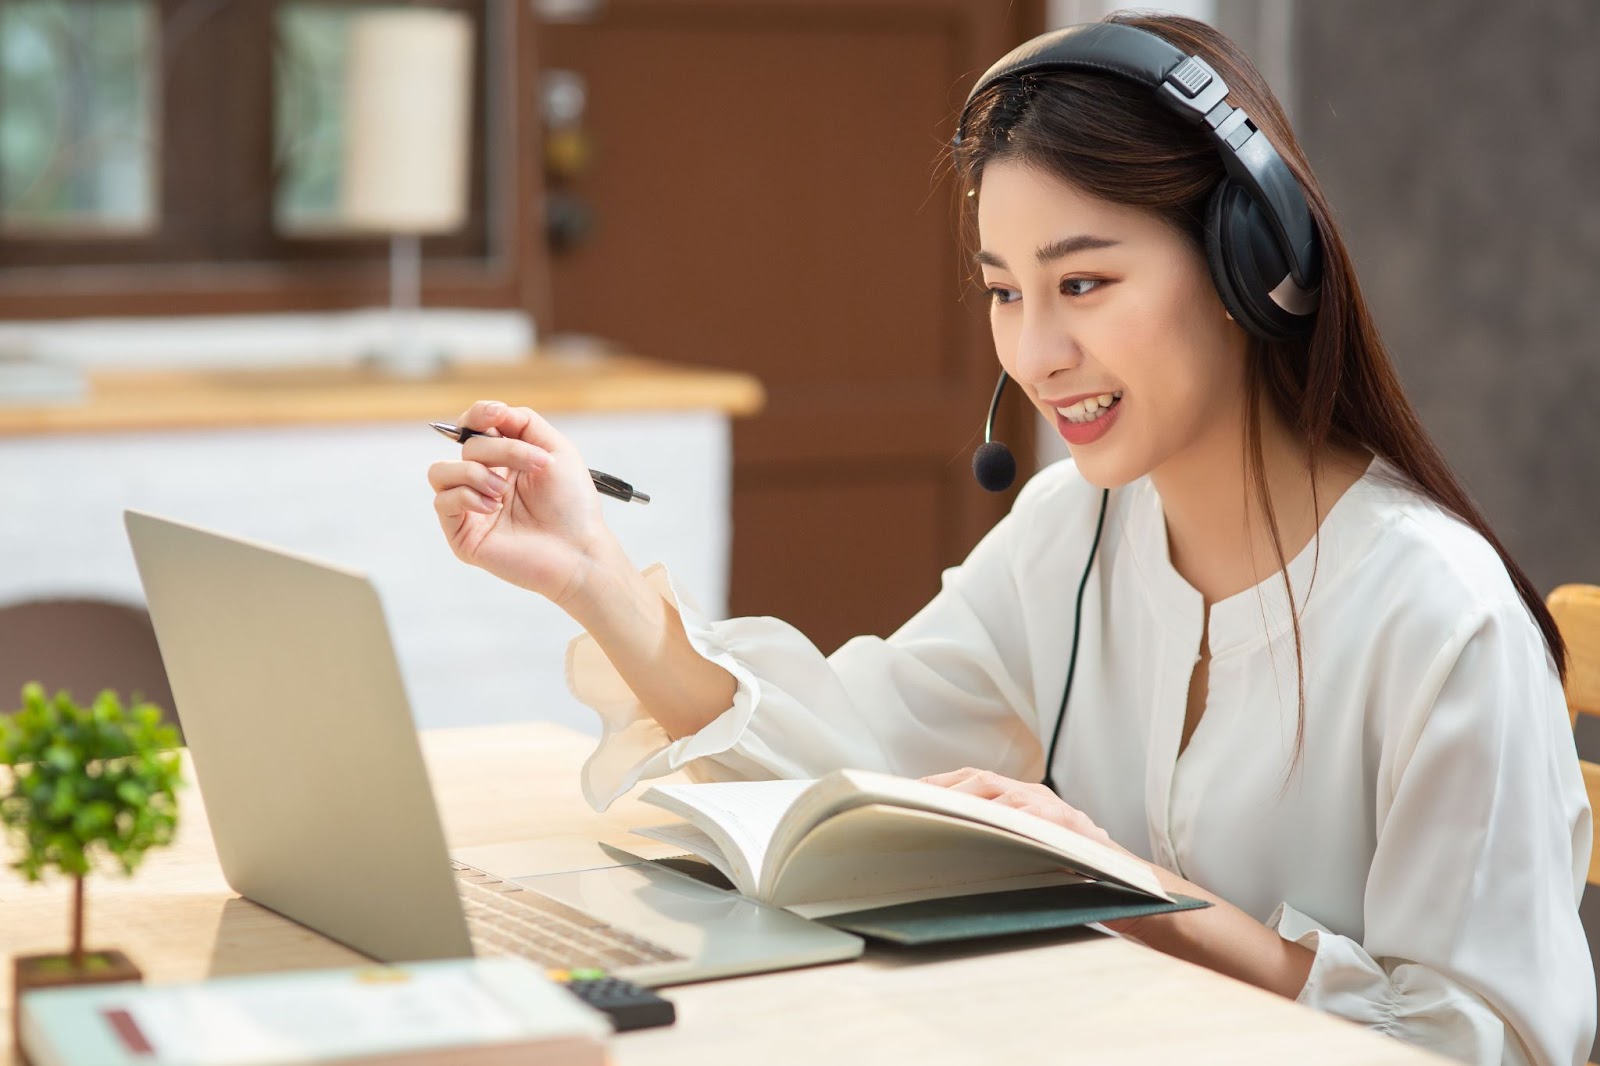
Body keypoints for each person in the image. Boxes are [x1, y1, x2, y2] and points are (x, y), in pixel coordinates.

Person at [427, 13, 1593, 1065]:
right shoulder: (1074, 527)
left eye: (1081, 283)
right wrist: (595, 578)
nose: (1033, 355)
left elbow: (1484, 1043)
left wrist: (1133, 890)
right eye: (1002, 291)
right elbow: (850, 769)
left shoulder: (1439, 614)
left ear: (1255, 266)